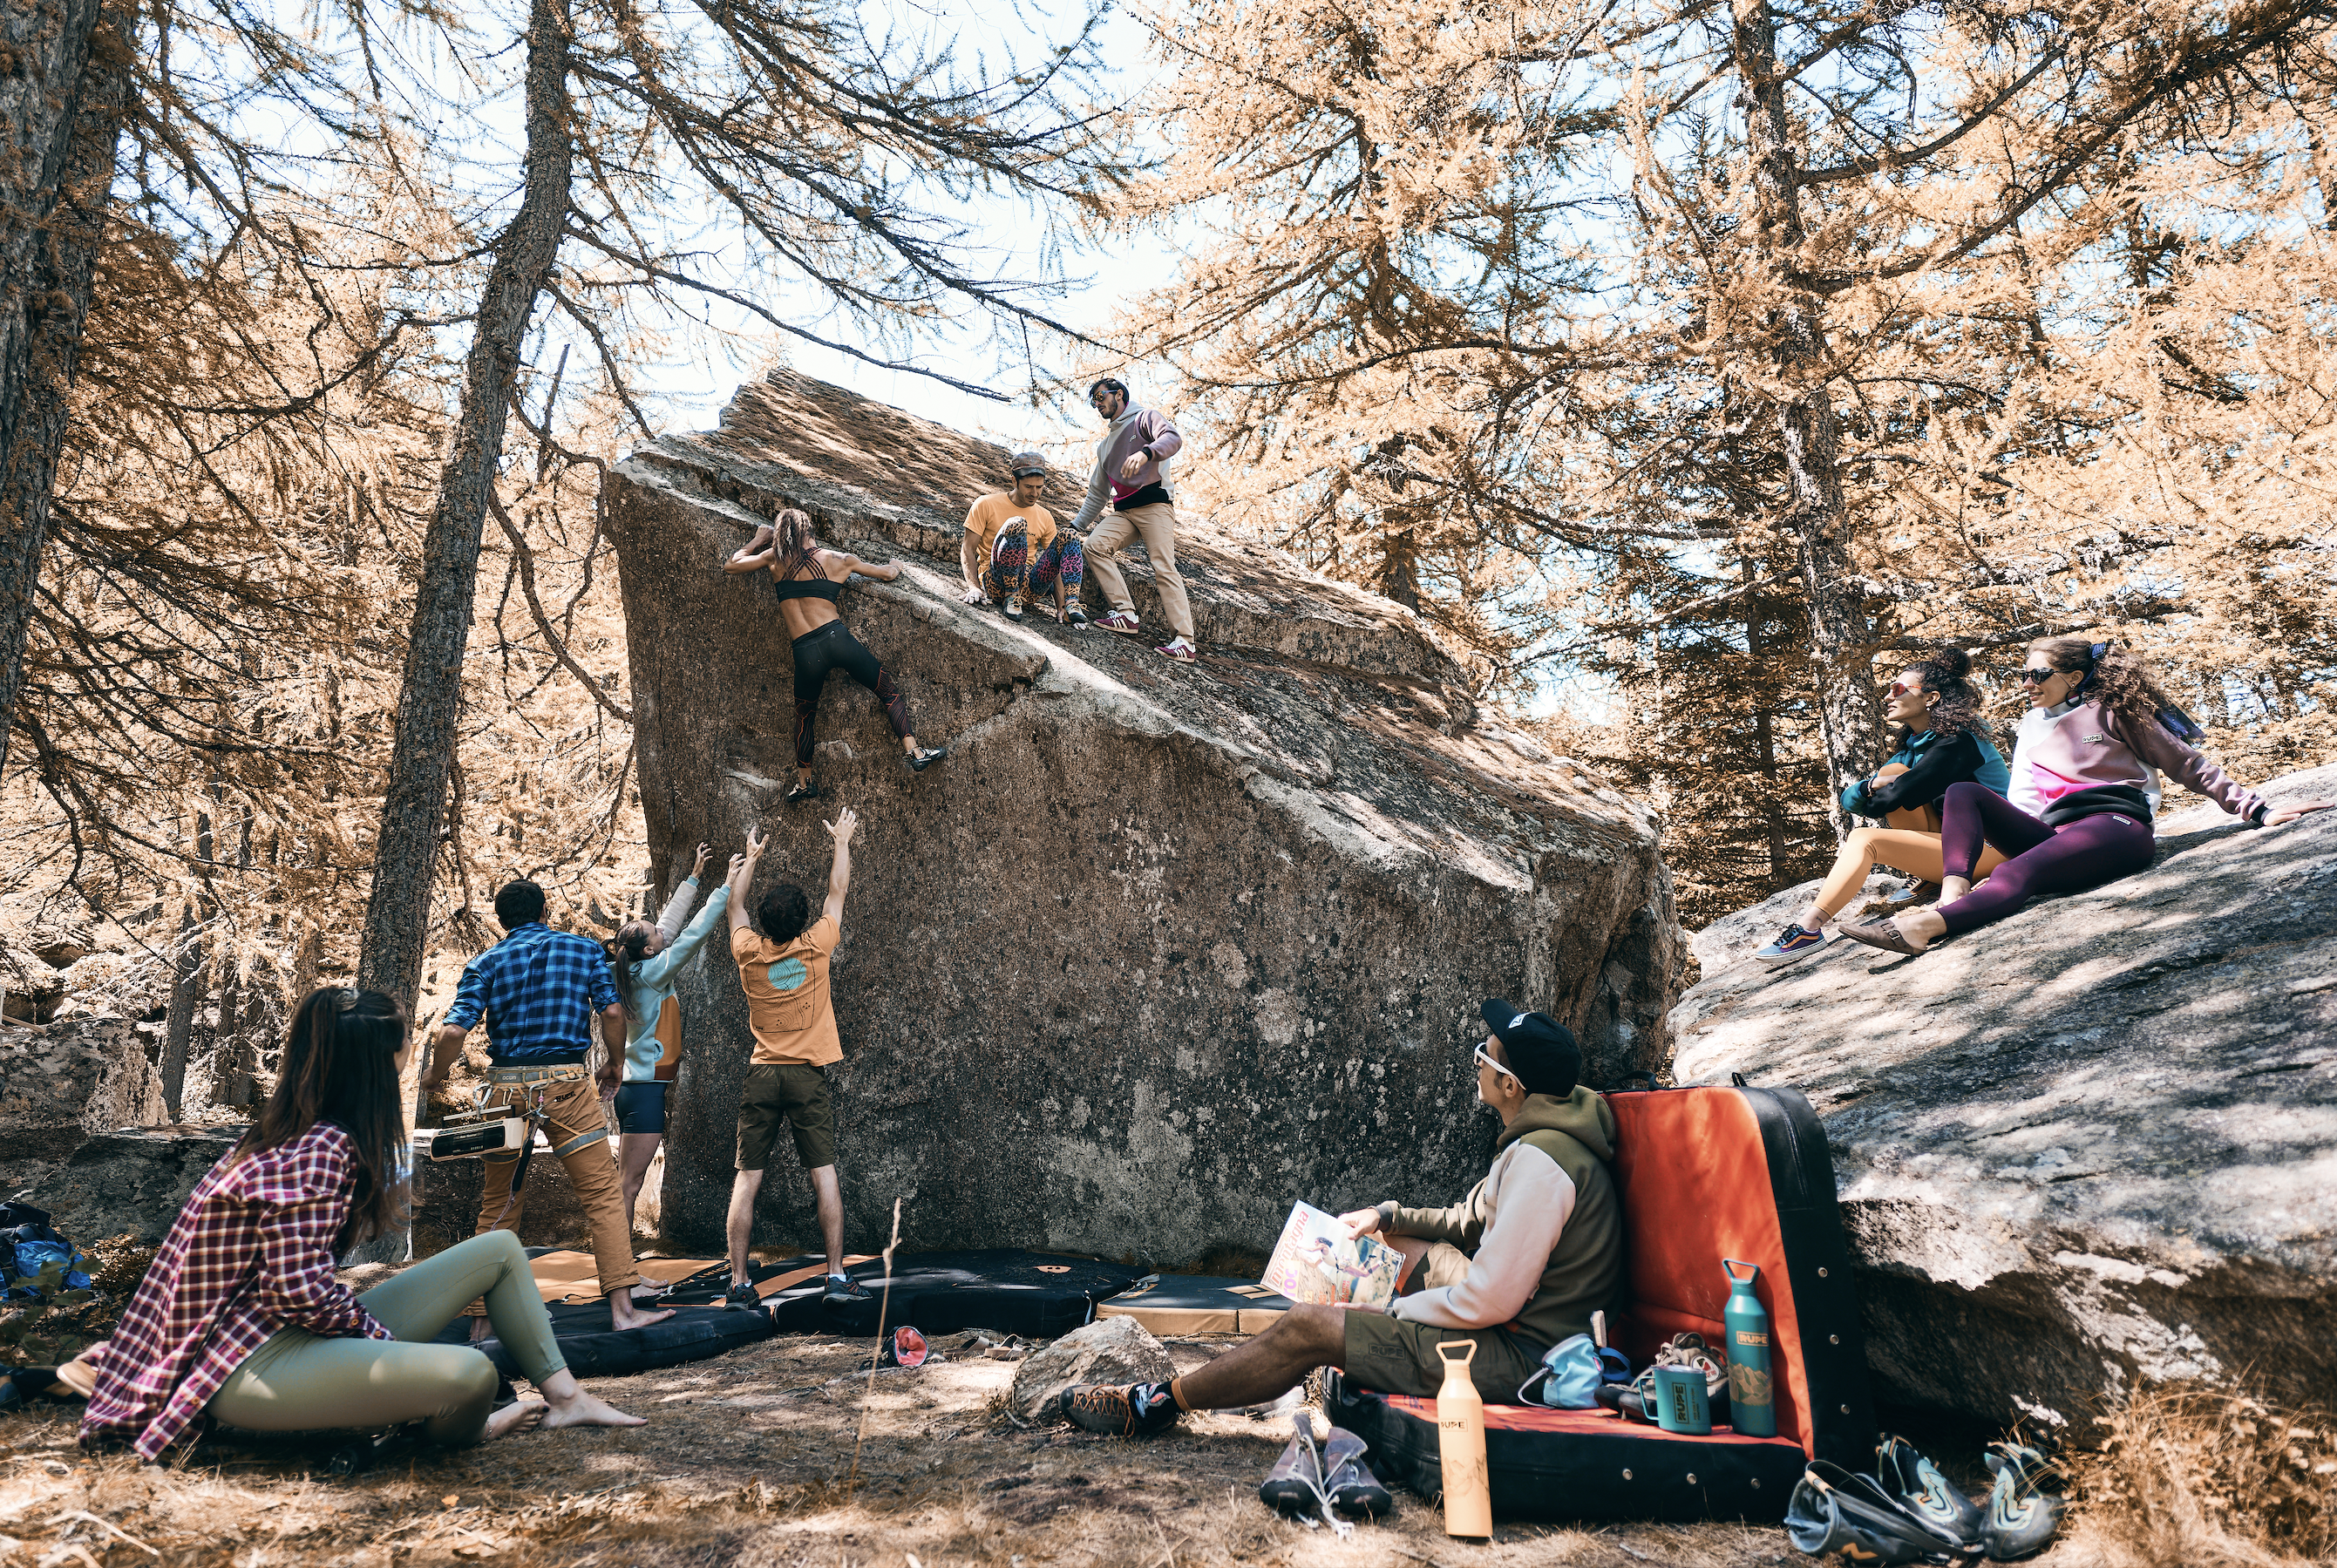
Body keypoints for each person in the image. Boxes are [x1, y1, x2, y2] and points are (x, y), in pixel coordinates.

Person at [80, 988, 642, 1463]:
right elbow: (297, 1292)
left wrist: (373, 1341)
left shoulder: (293, 1130)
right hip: (245, 1364)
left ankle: (567, 1399)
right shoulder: (324, 1147)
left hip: (279, 1330)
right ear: (379, 1065)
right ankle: (458, 1431)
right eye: (405, 1044)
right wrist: (378, 1342)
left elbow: (296, 1291)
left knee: (498, 1248)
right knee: (471, 1374)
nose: (412, 1052)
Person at [1061, 1002, 1621, 1436]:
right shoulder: (1544, 1139)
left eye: (1485, 1055)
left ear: (1510, 1085)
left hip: (1523, 1356)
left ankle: (1157, 1403)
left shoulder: (1544, 1165)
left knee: (1309, 1324)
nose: (1475, 1060)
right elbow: (1469, 1219)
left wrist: (1397, 1313)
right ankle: (1347, 1332)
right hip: (1518, 1322)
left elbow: (1492, 1300)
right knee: (1392, 1242)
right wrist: (1383, 1217)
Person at [1839, 637, 2334, 955]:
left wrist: (2257, 810)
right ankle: (1953, 894)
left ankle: (1929, 927)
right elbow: (2025, 795)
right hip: (2055, 833)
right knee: (1965, 793)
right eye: (2023, 674)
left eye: (2038, 675)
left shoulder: (2116, 711)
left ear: (2073, 678)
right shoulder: (2032, 725)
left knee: (2016, 873)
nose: (2026, 683)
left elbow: (2186, 763)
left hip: (2115, 828)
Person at [421, 879, 672, 1334]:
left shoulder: (486, 962)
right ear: (543, 911)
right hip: (567, 1086)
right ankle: (623, 1311)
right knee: (601, 1194)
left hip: (504, 1090)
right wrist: (615, 1065)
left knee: (499, 1202)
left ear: (502, 920)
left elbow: (454, 1033)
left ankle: (482, 1324)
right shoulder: (583, 951)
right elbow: (612, 1013)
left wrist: (435, 1078)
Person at [1755, 649, 2014, 967]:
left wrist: (1881, 789)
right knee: (1892, 775)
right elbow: (1852, 800)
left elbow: (1888, 801)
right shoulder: (1913, 747)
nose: (1888, 696)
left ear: (1931, 698)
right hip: (1959, 849)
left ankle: (1809, 929)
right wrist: (1870, 786)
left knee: (1866, 838)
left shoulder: (1962, 742)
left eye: (1899, 689)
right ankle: (1931, 878)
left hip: (1995, 847)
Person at [723, 814, 869, 1310]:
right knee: (823, 1173)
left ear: (766, 924)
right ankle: (834, 1275)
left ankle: (740, 1283)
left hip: (762, 1072)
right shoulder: (817, 945)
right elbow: (838, 890)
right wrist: (842, 842)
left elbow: (735, 903)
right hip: (806, 1076)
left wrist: (751, 857)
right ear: (802, 920)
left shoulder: (747, 952)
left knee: (747, 1177)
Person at [725, 507, 945, 803]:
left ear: (781, 534)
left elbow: (731, 565)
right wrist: (894, 564)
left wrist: (756, 540)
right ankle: (915, 752)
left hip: (805, 652)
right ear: (810, 531)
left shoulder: (773, 559)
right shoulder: (839, 559)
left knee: (805, 716)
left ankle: (805, 783)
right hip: (836, 639)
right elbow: (888, 574)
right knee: (888, 691)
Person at [608, 842, 731, 1242]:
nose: (660, 931)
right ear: (647, 949)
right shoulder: (654, 973)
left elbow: (669, 925)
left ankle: (618, 1268)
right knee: (628, 1185)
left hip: (637, 1086)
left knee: (625, 1182)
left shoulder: (637, 966)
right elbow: (690, 936)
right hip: (644, 1091)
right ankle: (620, 1273)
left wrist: (693, 878)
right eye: (653, 935)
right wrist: (725, 887)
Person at [1067, 377, 1198, 663]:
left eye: (1101, 396)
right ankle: (1125, 614)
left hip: (1155, 505)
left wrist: (1146, 451)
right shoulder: (1105, 448)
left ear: (1120, 394)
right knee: (1094, 546)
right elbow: (1098, 494)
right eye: (1093, 401)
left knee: (1163, 564)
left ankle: (1185, 641)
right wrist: (1075, 526)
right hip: (1124, 512)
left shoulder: (1144, 418)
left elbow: (1172, 438)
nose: (1097, 403)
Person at [961, 451, 1087, 626]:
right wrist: (974, 587)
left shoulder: (1045, 516)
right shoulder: (985, 504)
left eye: (1039, 487)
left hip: (1030, 588)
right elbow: (968, 548)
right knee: (1017, 523)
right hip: (997, 582)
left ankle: (1072, 604)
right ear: (1014, 480)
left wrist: (1061, 606)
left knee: (1069, 535)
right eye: (1028, 486)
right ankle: (1010, 595)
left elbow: (1056, 565)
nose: (1034, 493)